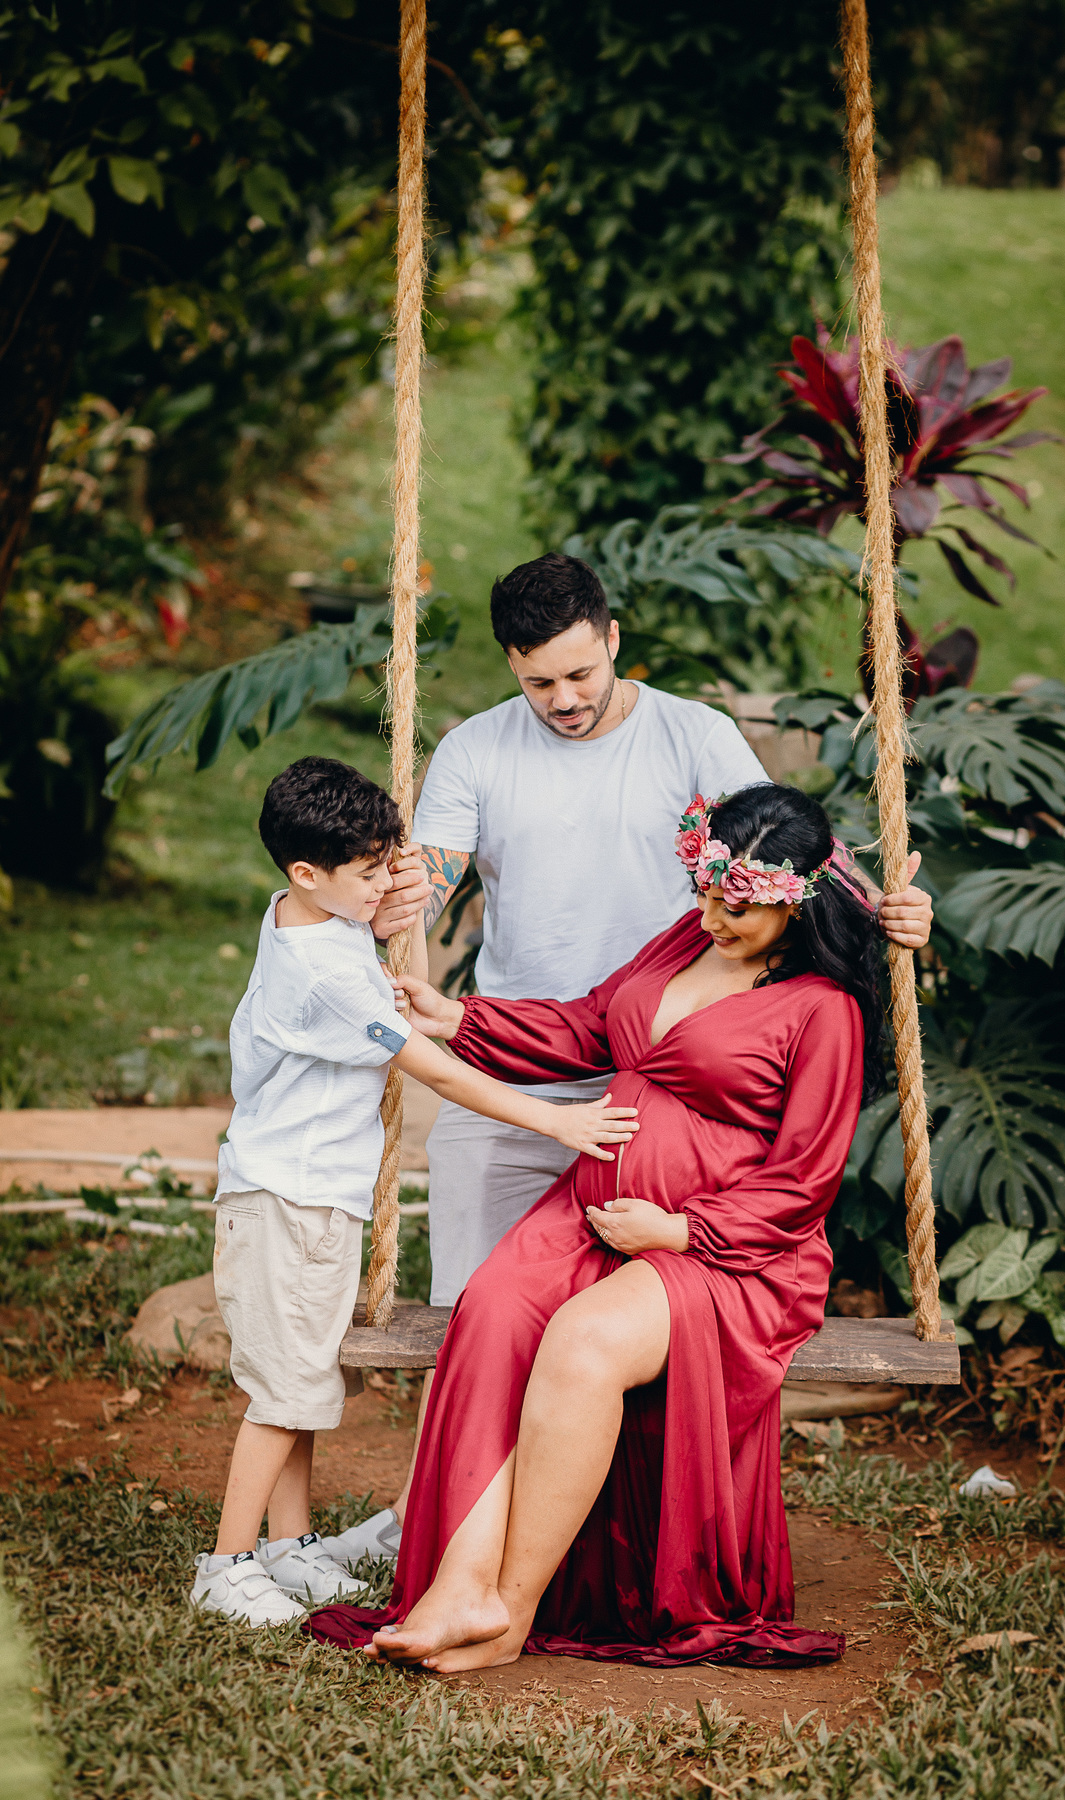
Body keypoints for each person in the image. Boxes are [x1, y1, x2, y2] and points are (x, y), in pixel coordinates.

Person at [322, 553, 934, 1571]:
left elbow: (778, 847)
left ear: (613, 640)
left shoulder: (694, 735)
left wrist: (882, 911)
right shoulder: (476, 751)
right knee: (480, 1315)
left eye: (579, 673)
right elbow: (435, 875)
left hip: (671, 1087)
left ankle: (582, 1541)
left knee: (610, 1335)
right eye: (538, 682)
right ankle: (431, 1522)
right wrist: (406, 909)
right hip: (516, 1066)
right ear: (511, 666)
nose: (562, 699)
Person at [308, 783, 892, 1668]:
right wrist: (459, 1018)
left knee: (583, 1343)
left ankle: (506, 1613)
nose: (713, 918)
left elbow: (803, 1182)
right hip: (592, 1213)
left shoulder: (823, 1009)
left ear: (795, 902)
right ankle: (460, 1582)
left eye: (738, 907)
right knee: (492, 1311)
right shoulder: (687, 939)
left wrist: (679, 1231)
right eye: (705, 893)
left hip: (734, 1252)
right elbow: (590, 1028)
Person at [189, 756, 638, 1627]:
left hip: (309, 1197)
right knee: (283, 1394)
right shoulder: (326, 973)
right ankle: (228, 1563)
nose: (385, 887)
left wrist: (388, 906)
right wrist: (558, 1123)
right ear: (306, 872)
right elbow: (436, 1069)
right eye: (370, 874)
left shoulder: (301, 914)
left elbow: (394, 979)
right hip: (287, 1201)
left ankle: (288, 1545)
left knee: (305, 1377)